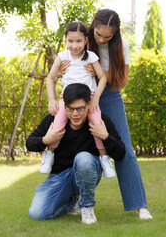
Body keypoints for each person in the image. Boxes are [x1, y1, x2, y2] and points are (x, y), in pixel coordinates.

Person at [59, 9, 153, 219]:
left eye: (106, 37)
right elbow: (62, 64)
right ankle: (74, 202)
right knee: (76, 147)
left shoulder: (122, 46)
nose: (100, 39)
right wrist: (61, 70)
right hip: (82, 94)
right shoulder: (83, 38)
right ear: (93, 27)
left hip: (109, 95)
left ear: (115, 34)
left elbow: (123, 79)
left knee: (125, 149)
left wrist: (100, 72)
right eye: (98, 34)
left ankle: (140, 205)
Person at [27, 83, 125, 224]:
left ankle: (87, 205)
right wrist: (46, 139)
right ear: (64, 105)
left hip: (87, 170)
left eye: (80, 108)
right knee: (36, 213)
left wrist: (105, 136)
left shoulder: (100, 121)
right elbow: (29, 143)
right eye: (70, 109)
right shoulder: (54, 119)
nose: (75, 114)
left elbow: (121, 153)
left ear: (89, 104)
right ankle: (70, 202)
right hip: (59, 175)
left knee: (83, 158)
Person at [41, 21, 116, 179]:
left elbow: (102, 78)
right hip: (67, 99)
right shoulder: (62, 57)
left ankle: (104, 159)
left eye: (79, 41)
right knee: (58, 125)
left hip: (89, 100)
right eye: (70, 41)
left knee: (97, 125)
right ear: (65, 40)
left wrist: (95, 98)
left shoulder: (91, 57)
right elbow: (51, 78)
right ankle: (49, 155)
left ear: (86, 40)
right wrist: (52, 99)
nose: (74, 45)